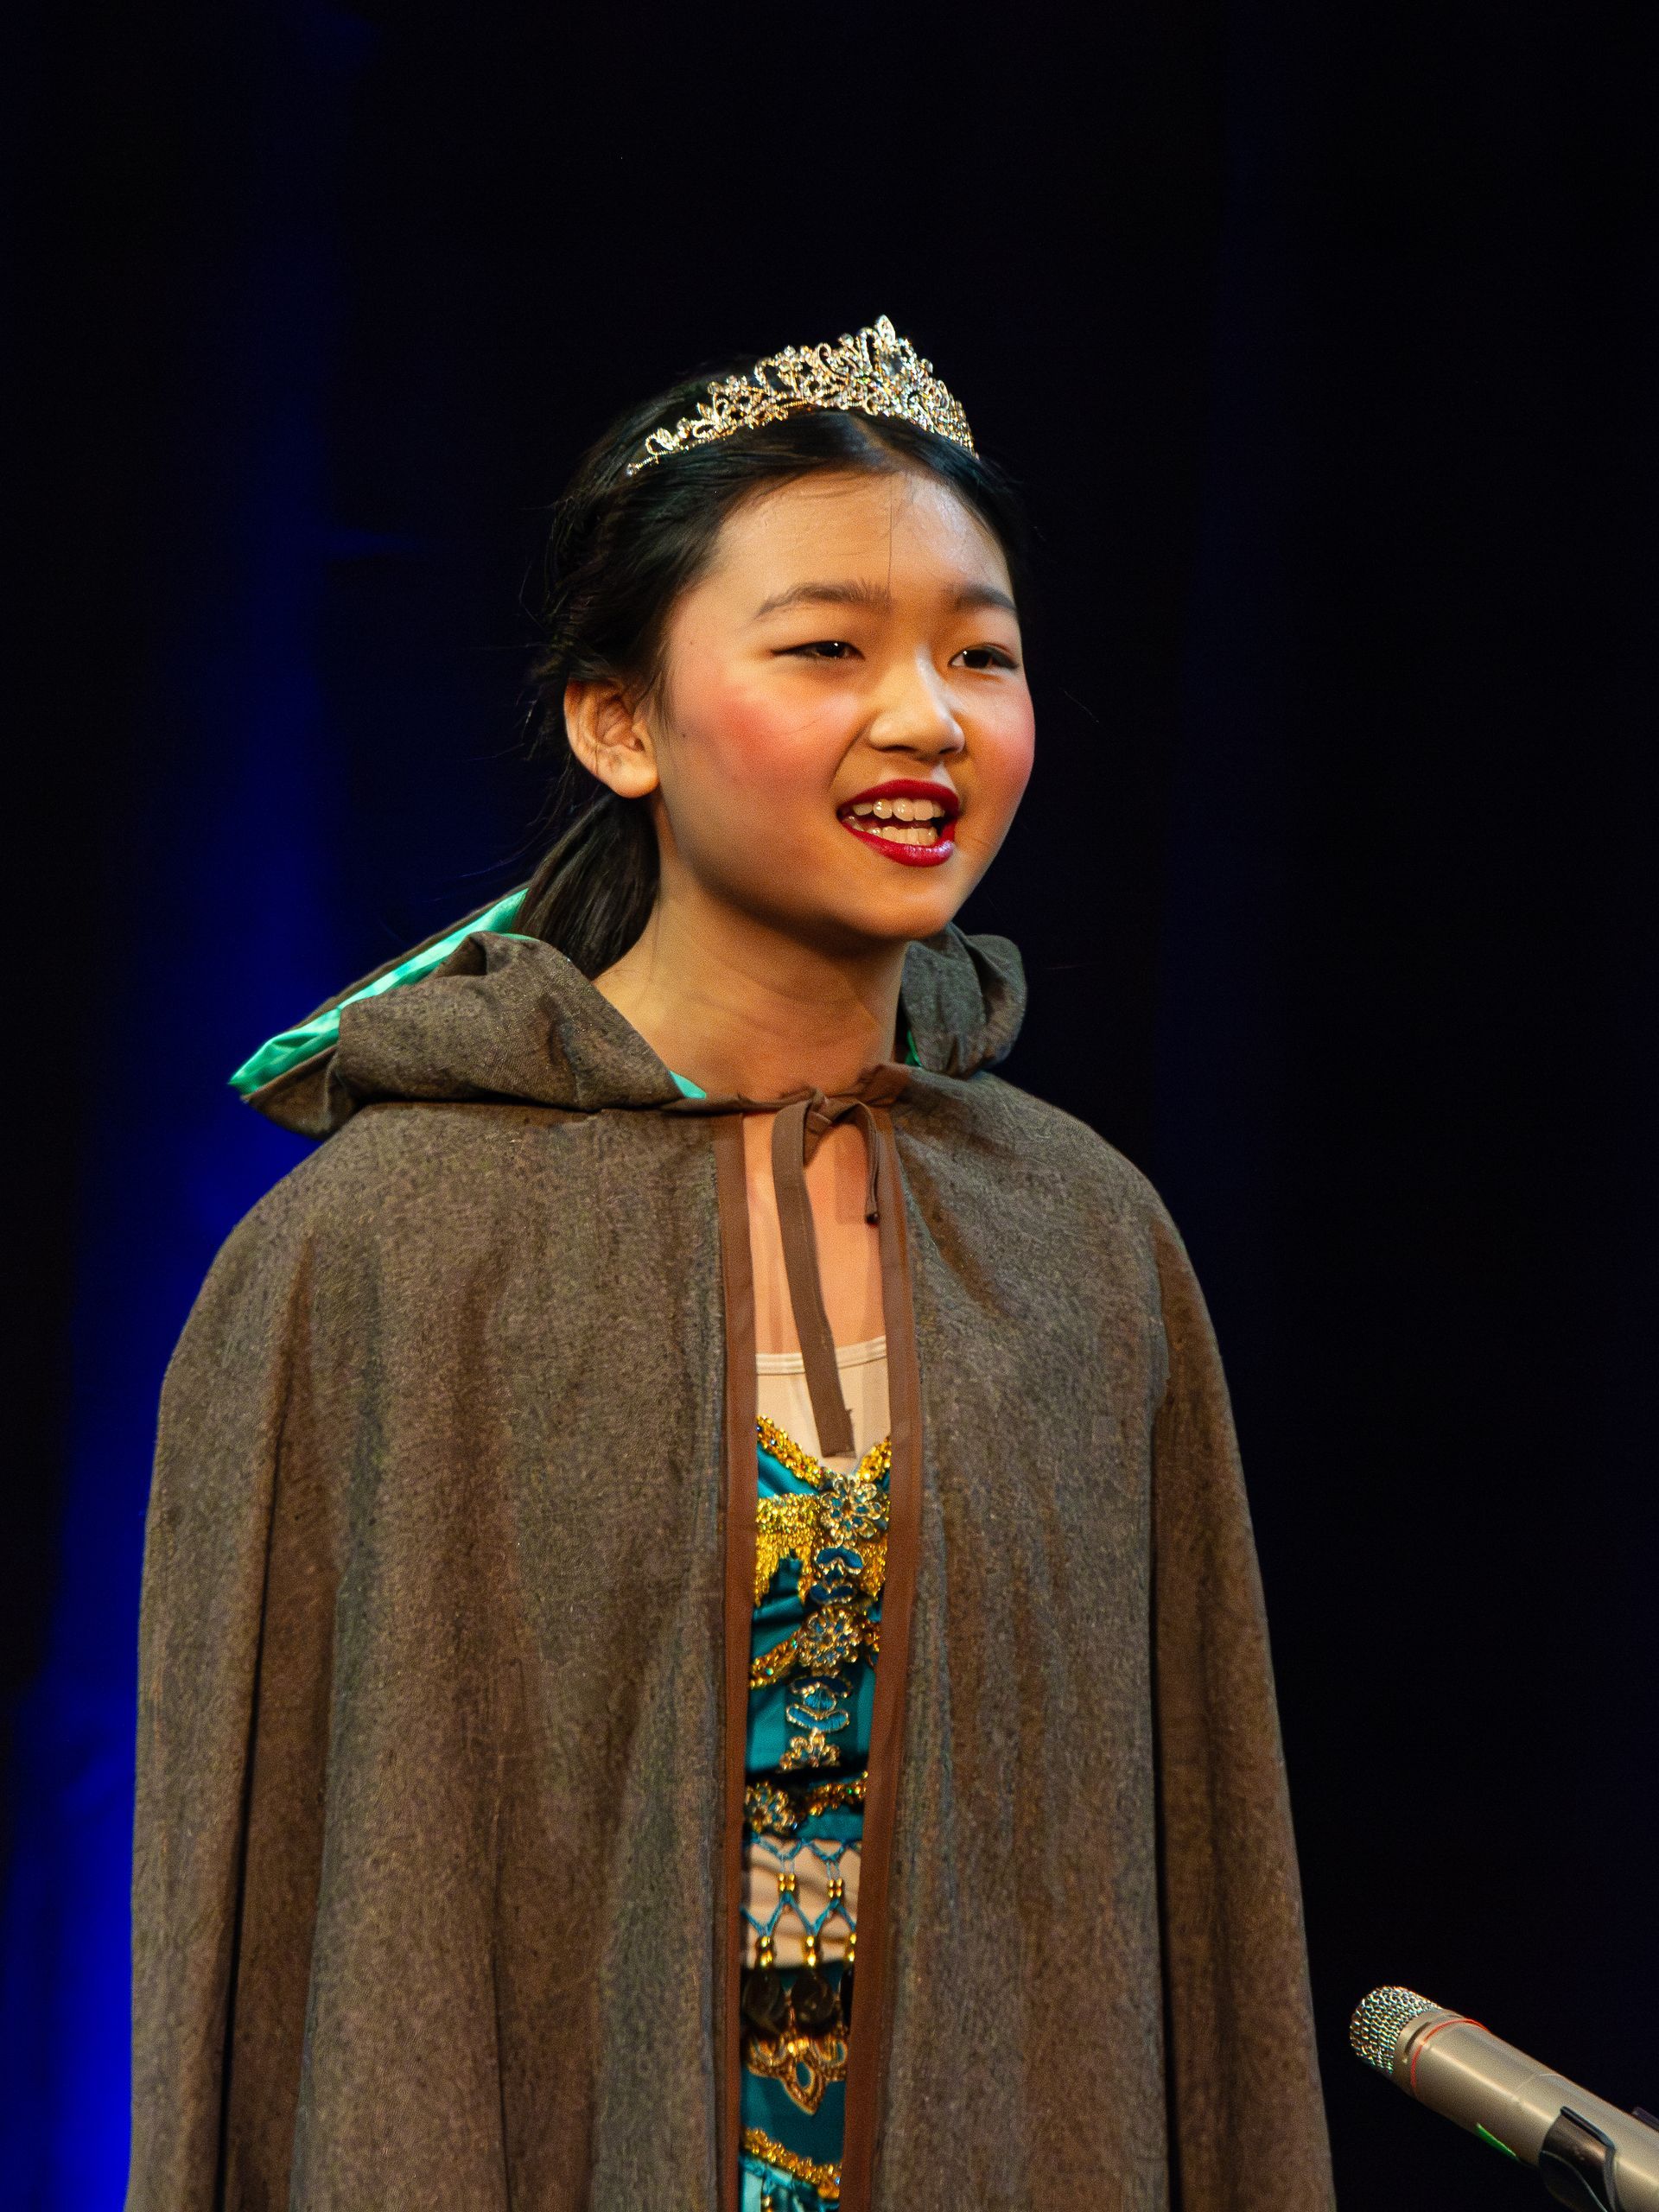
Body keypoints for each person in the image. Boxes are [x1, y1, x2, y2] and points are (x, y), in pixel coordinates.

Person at [128, 317, 1334, 2210]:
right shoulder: (375, 1252)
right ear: (622, 721)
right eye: (828, 648)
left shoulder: (1087, 1244)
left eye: (980, 653)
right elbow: (292, 1931)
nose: (926, 716)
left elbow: (1185, 1908)